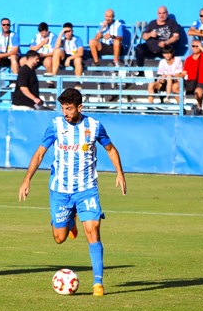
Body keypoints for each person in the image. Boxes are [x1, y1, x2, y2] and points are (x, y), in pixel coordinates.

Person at [18, 88, 127, 297]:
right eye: (62, 108)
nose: (65, 112)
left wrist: (120, 174)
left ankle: (98, 283)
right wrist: (26, 180)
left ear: (80, 107)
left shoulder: (94, 126)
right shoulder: (55, 125)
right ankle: (70, 220)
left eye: (68, 109)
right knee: (59, 238)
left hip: (87, 188)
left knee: (93, 229)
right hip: (60, 189)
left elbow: (111, 149)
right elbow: (40, 153)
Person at [135, 6, 181, 74]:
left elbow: (176, 36)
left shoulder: (172, 23)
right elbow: (144, 36)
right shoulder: (152, 23)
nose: (161, 15)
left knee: (169, 51)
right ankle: (140, 71)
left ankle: (163, 75)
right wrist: (150, 34)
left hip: (164, 48)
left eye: (163, 13)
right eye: (159, 13)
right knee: (139, 48)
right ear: (157, 14)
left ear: (167, 13)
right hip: (150, 48)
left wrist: (166, 42)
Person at [183, 40, 203, 113]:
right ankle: (180, 107)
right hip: (191, 82)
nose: (195, 48)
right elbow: (184, 73)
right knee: (176, 87)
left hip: (202, 82)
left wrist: (202, 48)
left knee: (198, 93)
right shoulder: (188, 59)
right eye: (193, 46)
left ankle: (199, 106)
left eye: (197, 46)